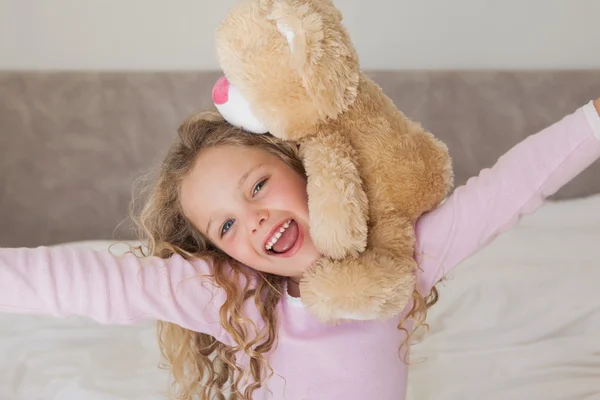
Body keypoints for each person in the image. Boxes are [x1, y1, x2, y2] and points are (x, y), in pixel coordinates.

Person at [1, 98, 599, 400]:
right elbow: (78, 281)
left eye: (258, 186)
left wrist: (593, 120)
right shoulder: (229, 292)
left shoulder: (400, 257)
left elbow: (511, 186)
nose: (255, 221)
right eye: (227, 226)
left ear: (303, 164)